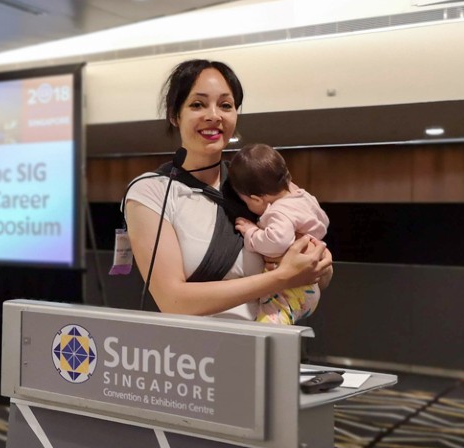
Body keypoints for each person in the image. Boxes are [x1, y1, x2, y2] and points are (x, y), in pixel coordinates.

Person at [123, 59, 333, 320]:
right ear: (174, 115)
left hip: (266, 346)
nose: (214, 115)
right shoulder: (151, 191)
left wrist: (319, 266)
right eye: (198, 104)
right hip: (192, 356)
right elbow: (173, 301)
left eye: (225, 105)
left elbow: (313, 270)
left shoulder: (254, 179)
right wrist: (282, 277)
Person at [228, 143, 329, 324]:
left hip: (292, 291)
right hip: (308, 288)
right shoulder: (302, 196)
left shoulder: (279, 212)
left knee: (265, 330)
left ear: (257, 199)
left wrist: (252, 232)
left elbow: (276, 243)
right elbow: (324, 222)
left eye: (246, 202)